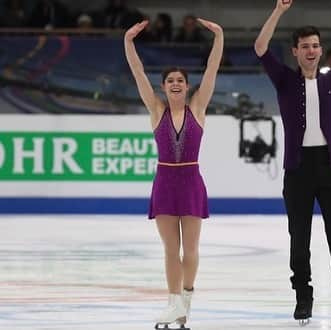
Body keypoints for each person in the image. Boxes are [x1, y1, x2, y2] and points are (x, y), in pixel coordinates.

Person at [254, 0, 331, 326]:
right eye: (305, 46)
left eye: (316, 45)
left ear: (320, 50)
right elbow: (261, 47)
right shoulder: (283, 80)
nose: (311, 50)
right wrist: (278, 12)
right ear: (295, 51)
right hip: (297, 170)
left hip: (329, 167)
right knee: (300, 238)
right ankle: (303, 299)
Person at [124, 17, 223, 328]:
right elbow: (138, 72)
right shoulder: (156, 110)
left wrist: (219, 35)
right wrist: (128, 41)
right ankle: (173, 303)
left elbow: (212, 70)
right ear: (164, 87)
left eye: (180, 80)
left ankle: (186, 300)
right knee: (171, 249)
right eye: (170, 81)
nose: (176, 84)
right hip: (165, 183)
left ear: (187, 85)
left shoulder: (198, 108)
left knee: (191, 248)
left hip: (192, 182)